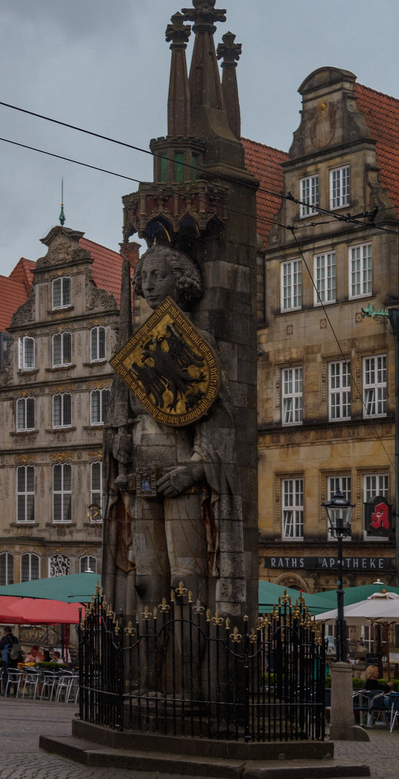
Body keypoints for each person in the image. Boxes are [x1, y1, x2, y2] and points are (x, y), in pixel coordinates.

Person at [104, 245, 244, 616]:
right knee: (147, 582)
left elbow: (217, 420)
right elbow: (127, 417)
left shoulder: (196, 340)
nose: (149, 285)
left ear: (180, 280)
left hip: (180, 475)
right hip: (142, 479)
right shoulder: (135, 348)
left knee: (186, 583)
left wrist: (195, 469)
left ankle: (191, 666)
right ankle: (148, 668)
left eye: (159, 275)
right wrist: (117, 441)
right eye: (144, 277)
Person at [0, 626, 20, 696]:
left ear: (5, 632)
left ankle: (6, 691)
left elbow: (0, 646)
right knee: (14, 675)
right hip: (15, 658)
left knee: (6, 675)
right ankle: (15, 691)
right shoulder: (15, 639)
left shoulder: (5, 638)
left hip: (6, 658)